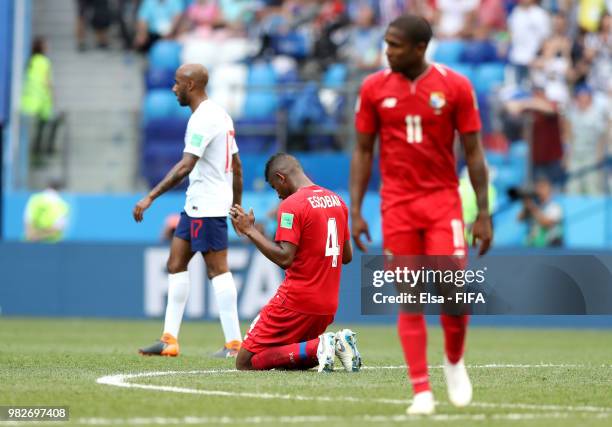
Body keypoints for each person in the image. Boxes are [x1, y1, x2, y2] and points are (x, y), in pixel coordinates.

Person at [350, 14, 492, 415]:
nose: (387, 51)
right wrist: (357, 210)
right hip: (396, 204)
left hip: (442, 201)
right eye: (386, 43)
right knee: (409, 294)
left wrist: (483, 213)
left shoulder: (455, 86)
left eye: (395, 45)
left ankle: (453, 360)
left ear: (418, 48)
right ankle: (422, 392)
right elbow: (363, 151)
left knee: (452, 290)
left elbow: (474, 151)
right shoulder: (373, 87)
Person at [133, 63, 243, 358]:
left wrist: (150, 197)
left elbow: (185, 165)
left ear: (191, 86)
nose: (173, 88)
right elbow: (237, 167)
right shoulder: (220, 114)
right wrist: (237, 205)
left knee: (217, 270)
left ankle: (235, 344)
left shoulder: (203, 119)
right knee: (175, 262)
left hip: (207, 206)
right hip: (196, 205)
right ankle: (169, 340)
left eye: (177, 83)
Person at [230, 153, 360, 373]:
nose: (278, 195)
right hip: (327, 307)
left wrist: (249, 231)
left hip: (296, 301)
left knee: (245, 362)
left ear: (281, 178)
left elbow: (284, 257)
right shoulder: (337, 201)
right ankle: (335, 343)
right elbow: (347, 256)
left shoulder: (292, 205)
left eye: (274, 187)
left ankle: (320, 345)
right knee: (288, 353)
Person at [518, 175, 564, 247]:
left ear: (549, 190)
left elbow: (547, 223)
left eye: (542, 187)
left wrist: (532, 207)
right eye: (538, 187)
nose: (539, 190)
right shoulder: (535, 206)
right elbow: (519, 219)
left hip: (551, 247)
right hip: (533, 246)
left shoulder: (555, 207)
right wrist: (526, 203)